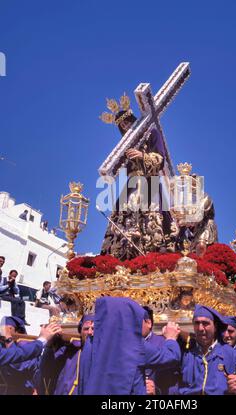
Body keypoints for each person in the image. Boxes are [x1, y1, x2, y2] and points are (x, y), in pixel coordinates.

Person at [100, 94, 178, 260]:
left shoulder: (152, 134)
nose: (126, 127)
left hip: (150, 183)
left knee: (152, 218)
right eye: (122, 126)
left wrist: (143, 156)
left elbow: (160, 159)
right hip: (130, 185)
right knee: (123, 215)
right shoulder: (124, 148)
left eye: (128, 122)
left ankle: (154, 251)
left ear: (134, 120)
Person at [78, 296, 181, 395]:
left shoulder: (91, 343)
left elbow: (83, 381)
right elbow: (170, 357)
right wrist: (171, 338)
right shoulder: (133, 344)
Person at [177, 305, 236, 395]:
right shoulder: (185, 352)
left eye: (205, 323)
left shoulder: (231, 354)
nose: (200, 328)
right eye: (197, 323)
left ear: (215, 326)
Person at [36, 314, 94, 395]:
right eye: (86, 329)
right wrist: (49, 344)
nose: (90, 332)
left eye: (94, 328)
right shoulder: (70, 351)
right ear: (80, 332)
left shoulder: (106, 353)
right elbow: (47, 367)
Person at [0, 317, 40, 394]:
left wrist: (8, 340)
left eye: (5, 329)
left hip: (22, 390)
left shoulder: (27, 346)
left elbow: (20, 365)